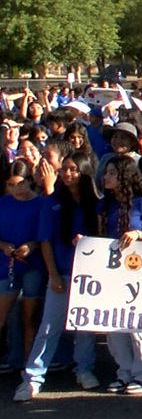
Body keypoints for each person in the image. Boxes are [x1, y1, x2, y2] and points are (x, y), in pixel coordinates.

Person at [14, 154, 99, 401]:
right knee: (49, 326)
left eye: (73, 169)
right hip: (61, 272)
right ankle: (32, 378)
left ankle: (84, 369)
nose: (68, 174)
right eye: (64, 170)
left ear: (83, 171)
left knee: (85, 326)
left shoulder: (95, 202)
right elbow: (45, 242)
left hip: (90, 276)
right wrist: (53, 275)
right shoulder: (51, 203)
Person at [98, 155, 142, 395]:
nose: (106, 177)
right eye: (106, 173)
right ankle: (124, 372)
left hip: (139, 273)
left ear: (125, 176)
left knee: (139, 325)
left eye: (113, 173)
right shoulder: (104, 204)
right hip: (111, 271)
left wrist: (138, 234)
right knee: (114, 325)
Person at [0, 159, 48, 372]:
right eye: (11, 184)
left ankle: (28, 367)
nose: (16, 189)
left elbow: (46, 235)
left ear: (30, 181)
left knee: (29, 318)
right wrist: (3, 246)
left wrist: (32, 245)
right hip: (6, 264)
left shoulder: (41, 204)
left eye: (20, 183)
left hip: (33, 265)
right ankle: (13, 358)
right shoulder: (3, 202)